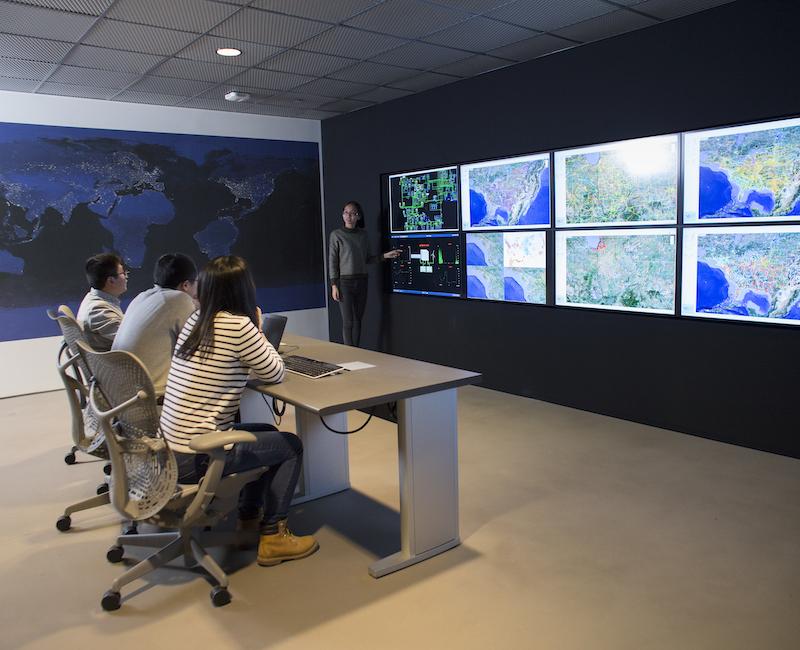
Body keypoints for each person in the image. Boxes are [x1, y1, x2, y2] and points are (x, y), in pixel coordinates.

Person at [160, 255, 318, 566]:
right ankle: (273, 538)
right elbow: (275, 373)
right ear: (243, 290)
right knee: (290, 447)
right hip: (198, 455)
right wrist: (257, 328)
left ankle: (249, 518)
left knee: (267, 434)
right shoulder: (238, 325)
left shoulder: (197, 320)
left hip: (168, 450)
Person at [112, 253, 198, 395]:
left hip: (121, 395)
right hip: (149, 398)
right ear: (186, 285)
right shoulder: (179, 299)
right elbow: (197, 346)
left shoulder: (142, 296)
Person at [328, 200, 400, 346]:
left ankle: (357, 352)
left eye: (353, 213)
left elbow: (367, 259)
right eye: (346, 213)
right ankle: (350, 354)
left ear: (358, 216)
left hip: (362, 281)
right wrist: (334, 285)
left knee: (358, 320)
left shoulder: (363, 235)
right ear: (342, 215)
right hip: (344, 283)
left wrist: (385, 256)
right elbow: (332, 261)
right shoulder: (336, 235)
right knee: (348, 322)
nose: (349, 216)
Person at [77, 253, 127, 351]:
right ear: (111, 281)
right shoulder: (99, 311)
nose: (126, 277)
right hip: (119, 364)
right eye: (123, 274)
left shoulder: (92, 298)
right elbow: (133, 341)